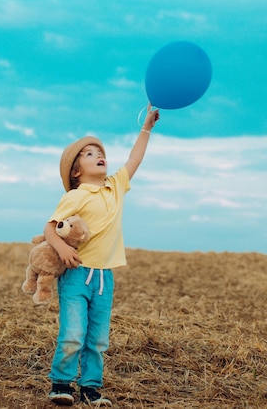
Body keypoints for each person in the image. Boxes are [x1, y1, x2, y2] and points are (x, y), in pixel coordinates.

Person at [44, 105, 160, 406]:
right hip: (75, 275)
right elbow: (50, 228)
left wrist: (146, 127)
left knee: (97, 340)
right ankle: (62, 383)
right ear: (76, 171)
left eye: (100, 151)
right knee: (73, 332)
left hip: (105, 278)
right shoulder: (75, 195)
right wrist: (63, 248)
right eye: (89, 153)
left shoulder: (115, 187)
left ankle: (91, 388)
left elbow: (135, 159)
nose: (99, 154)